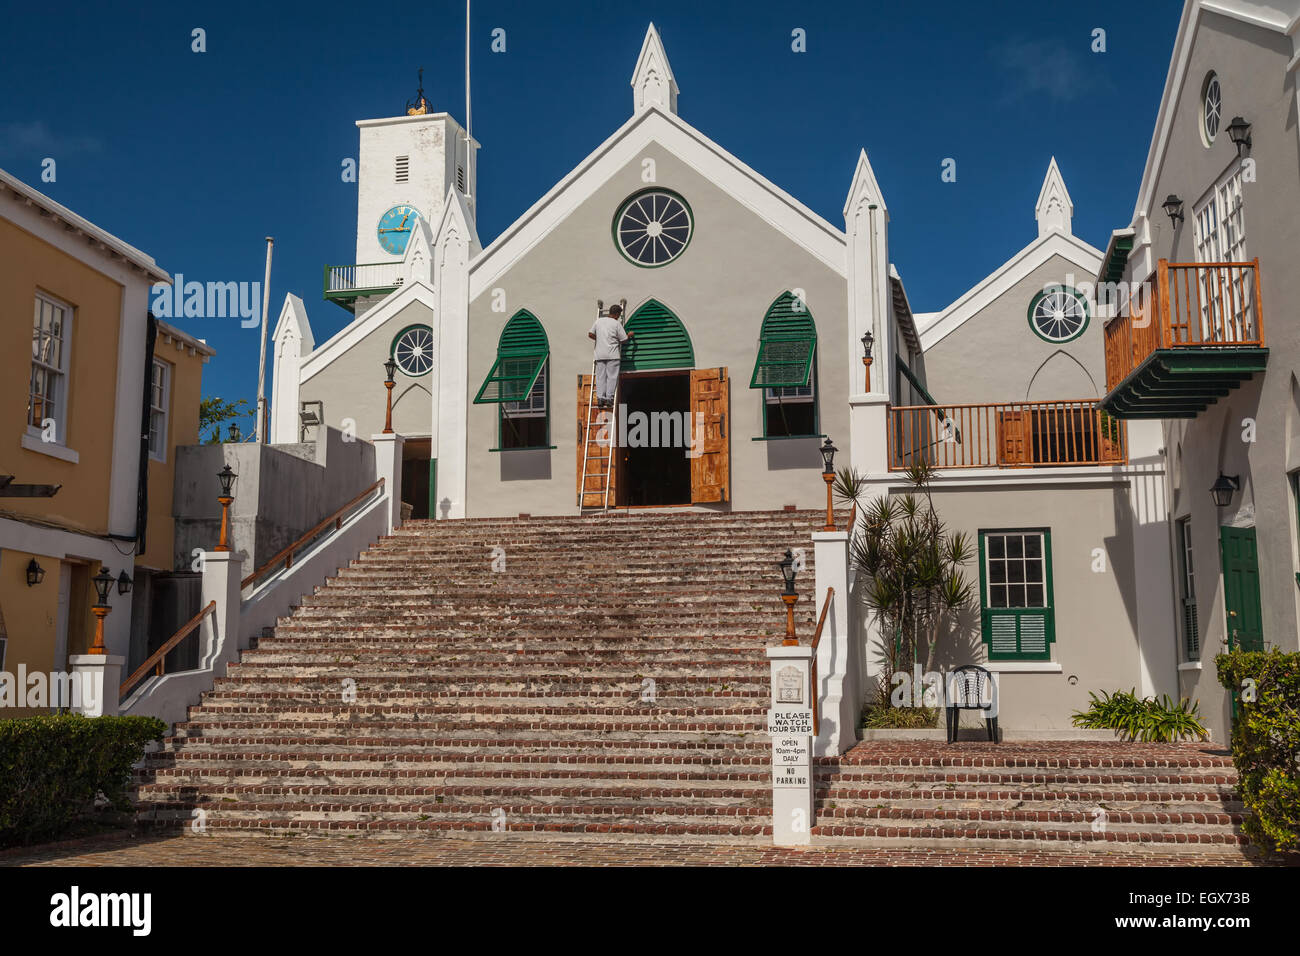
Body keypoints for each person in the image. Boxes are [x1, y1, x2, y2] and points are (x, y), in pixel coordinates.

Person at [587, 304, 633, 409]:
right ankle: (609, 399)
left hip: (600, 354)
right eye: (619, 314)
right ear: (617, 314)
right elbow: (623, 339)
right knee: (611, 377)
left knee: (600, 377)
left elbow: (590, 334)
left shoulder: (598, 321)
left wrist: (599, 340)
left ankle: (600, 398)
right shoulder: (616, 324)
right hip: (612, 354)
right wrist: (629, 335)